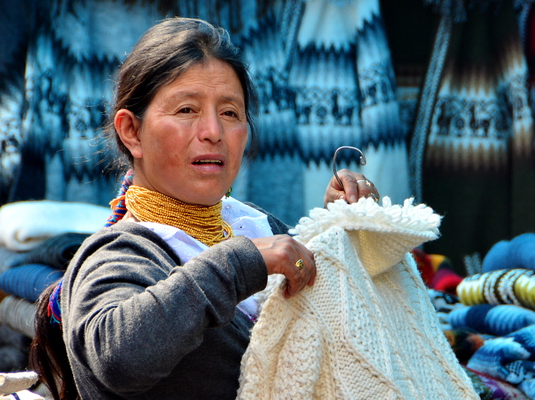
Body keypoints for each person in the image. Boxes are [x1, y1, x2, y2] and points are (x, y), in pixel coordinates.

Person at [29, 17, 379, 400]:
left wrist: (337, 232)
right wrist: (237, 265)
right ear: (132, 131)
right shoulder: (120, 254)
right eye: (186, 110)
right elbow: (118, 358)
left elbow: (317, 309)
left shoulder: (255, 226)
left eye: (230, 113)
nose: (213, 130)